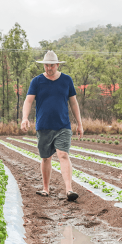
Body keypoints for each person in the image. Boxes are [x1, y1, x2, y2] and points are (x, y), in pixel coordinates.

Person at [21, 50, 84, 201]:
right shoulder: (36, 81)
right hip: (43, 126)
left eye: (51, 65)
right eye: (46, 66)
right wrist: (24, 118)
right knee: (46, 158)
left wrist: (79, 124)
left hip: (63, 125)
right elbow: (28, 101)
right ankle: (45, 188)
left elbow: (74, 103)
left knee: (63, 154)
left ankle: (69, 190)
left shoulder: (67, 80)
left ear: (57, 65)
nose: (49, 68)